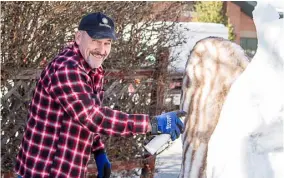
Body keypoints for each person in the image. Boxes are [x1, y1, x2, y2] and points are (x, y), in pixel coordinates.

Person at [15, 12, 185, 178]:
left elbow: (84, 114)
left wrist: (98, 150)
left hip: (67, 169)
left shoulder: (91, 69)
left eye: (107, 43)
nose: (102, 50)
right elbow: (92, 116)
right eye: (95, 41)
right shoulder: (67, 69)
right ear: (78, 37)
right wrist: (153, 124)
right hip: (44, 170)